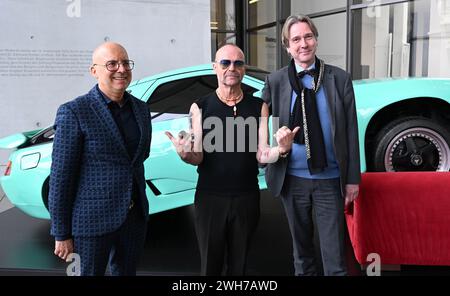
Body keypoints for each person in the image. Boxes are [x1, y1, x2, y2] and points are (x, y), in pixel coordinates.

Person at [166, 44, 280, 275]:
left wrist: (282, 150)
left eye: (238, 63)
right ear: (215, 67)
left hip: (247, 197)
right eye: (225, 63)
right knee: (211, 265)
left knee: (240, 265)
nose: (232, 68)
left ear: (244, 69)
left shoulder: (260, 106)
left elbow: (262, 155)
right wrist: (185, 155)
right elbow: (197, 156)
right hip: (210, 198)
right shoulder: (200, 106)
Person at [262, 15, 361, 276]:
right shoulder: (276, 81)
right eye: (296, 39)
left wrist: (353, 179)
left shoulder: (339, 78)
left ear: (315, 39)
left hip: (331, 179)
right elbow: (262, 129)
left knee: (335, 260)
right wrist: (275, 142)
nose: (303, 43)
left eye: (308, 36)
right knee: (302, 258)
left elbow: (351, 130)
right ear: (287, 46)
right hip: (292, 180)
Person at [48, 42, 152, 276]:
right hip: (90, 221)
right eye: (112, 64)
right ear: (94, 71)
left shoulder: (142, 109)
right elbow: (61, 177)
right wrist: (61, 233)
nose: (121, 69)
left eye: (125, 62)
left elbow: (138, 159)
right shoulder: (75, 111)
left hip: (133, 219)